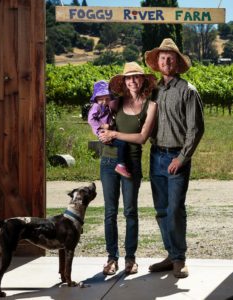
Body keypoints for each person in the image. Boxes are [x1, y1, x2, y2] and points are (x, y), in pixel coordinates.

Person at [144, 38, 205, 278]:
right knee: (161, 210)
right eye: (162, 58)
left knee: (175, 209)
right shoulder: (154, 91)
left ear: (177, 63)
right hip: (156, 155)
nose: (166, 61)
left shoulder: (188, 91)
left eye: (171, 58)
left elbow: (196, 129)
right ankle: (170, 255)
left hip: (176, 158)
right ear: (157, 63)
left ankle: (180, 258)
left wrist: (182, 158)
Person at [98, 62, 157, 275]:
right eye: (128, 77)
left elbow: (141, 138)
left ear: (143, 80)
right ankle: (111, 258)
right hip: (108, 162)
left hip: (131, 163)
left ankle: (130, 258)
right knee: (110, 212)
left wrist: (114, 134)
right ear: (124, 82)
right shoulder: (116, 103)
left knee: (130, 212)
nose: (132, 81)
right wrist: (103, 131)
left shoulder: (151, 106)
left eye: (136, 77)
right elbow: (100, 119)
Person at [88, 80, 131, 178]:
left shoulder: (106, 106)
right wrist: (102, 126)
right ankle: (121, 165)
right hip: (102, 132)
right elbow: (90, 119)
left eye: (107, 99)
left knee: (121, 142)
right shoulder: (96, 106)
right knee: (122, 143)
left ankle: (121, 164)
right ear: (96, 99)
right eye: (101, 99)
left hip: (107, 131)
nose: (104, 101)